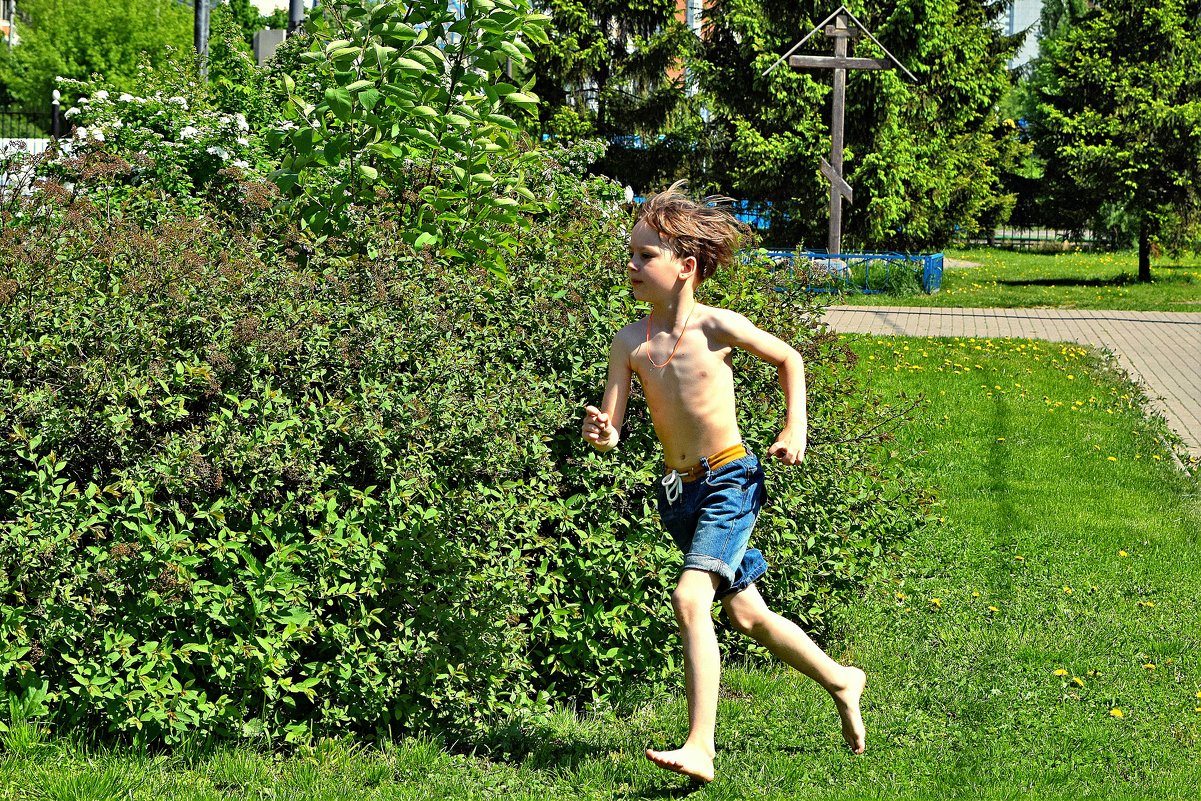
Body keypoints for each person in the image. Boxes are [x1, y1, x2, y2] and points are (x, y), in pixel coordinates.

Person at [581, 181, 866, 784]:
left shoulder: (716, 327)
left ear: (685, 267)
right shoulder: (629, 342)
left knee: (690, 600)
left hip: (730, 479)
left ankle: (700, 746)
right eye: (630, 255)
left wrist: (796, 426)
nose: (630, 266)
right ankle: (842, 679)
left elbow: (791, 357)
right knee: (746, 617)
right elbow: (614, 424)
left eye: (644, 257)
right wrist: (601, 432)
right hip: (679, 494)